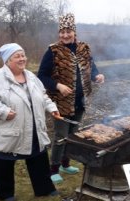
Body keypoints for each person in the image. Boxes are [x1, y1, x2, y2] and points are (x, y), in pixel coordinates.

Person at [0, 43, 60, 201]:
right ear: (8, 60)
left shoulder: (31, 77)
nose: (22, 59)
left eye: (23, 55)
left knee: (38, 157)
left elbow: (43, 95)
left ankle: (44, 189)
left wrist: (51, 108)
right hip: (8, 129)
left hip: (33, 127)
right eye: (17, 56)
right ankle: (5, 194)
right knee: (3, 161)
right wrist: (3, 112)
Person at [38, 13, 105, 184]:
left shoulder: (84, 48)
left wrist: (97, 76)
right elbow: (42, 76)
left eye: (68, 31)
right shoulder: (53, 51)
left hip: (80, 101)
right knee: (61, 136)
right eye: (62, 31)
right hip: (61, 102)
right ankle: (53, 169)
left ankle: (65, 164)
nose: (65, 35)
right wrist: (58, 86)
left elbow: (91, 67)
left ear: (74, 31)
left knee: (73, 135)